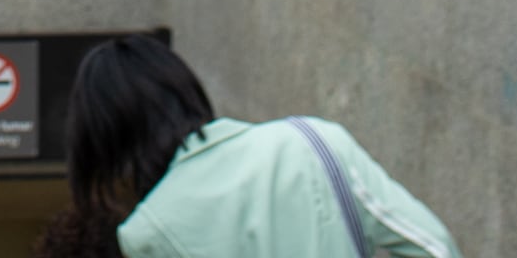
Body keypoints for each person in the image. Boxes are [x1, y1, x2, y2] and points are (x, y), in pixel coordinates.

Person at [36, 35, 460, 258]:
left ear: (112, 141)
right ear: (184, 92)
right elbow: (433, 245)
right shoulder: (313, 140)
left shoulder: (147, 233)